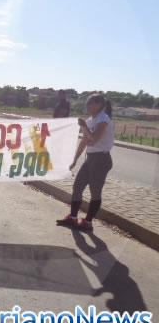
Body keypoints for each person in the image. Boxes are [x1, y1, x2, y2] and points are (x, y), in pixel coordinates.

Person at [57, 93, 114, 231]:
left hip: (102, 159)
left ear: (99, 104)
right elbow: (84, 142)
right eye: (87, 103)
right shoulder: (90, 120)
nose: (87, 106)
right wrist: (75, 160)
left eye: (90, 103)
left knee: (95, 191)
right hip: (91, 158)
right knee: (77, 186)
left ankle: (88, 222)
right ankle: (73, 217)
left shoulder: (103, 119)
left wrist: (84, 126)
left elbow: (94, 139)